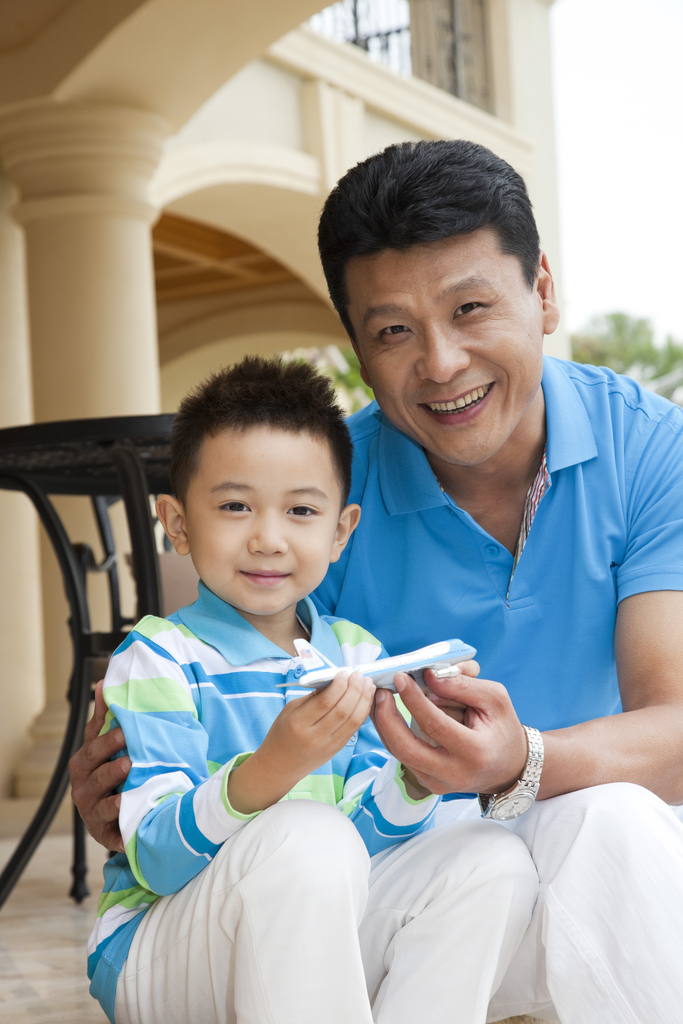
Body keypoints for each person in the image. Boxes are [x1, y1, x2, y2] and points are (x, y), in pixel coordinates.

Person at [71, 138, 683, 1022]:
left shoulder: (649, 446)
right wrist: (139, 777)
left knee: (613, 819)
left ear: (541, 292)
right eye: (393, 331)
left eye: (471, 307)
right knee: (337, 853)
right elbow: (224, 675)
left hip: (581, 850)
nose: (439, 363)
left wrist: (522, 761)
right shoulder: (323, 488)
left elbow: (671, 729)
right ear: (356, 344)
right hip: (384, 884)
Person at [86, 355, 537, 1024]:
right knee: (307, 834)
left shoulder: (356, 654)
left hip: (303, 927)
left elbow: (363, 842)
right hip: (161, 950)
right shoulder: (157, 658)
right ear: (177, 524)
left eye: (300, 510)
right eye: (235, 506)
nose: (268, 538)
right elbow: (153, 857)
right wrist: (272, 770)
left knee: (488, 857)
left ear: (339, 531)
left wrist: (417, 771)